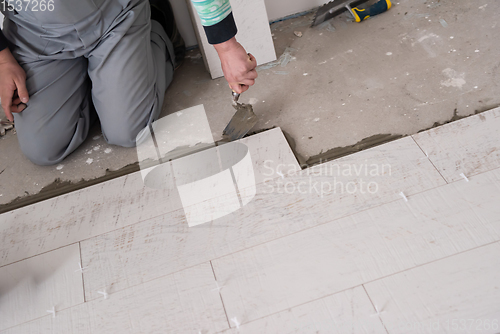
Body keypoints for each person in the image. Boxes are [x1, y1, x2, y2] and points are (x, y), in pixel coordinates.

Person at [0, 0, 257, 165]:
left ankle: (157, 30)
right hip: (36, 34)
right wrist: (2, 59)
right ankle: (100, 78)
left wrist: (226, 46)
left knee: (127, 132)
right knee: (43, 149)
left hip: (114, 16)